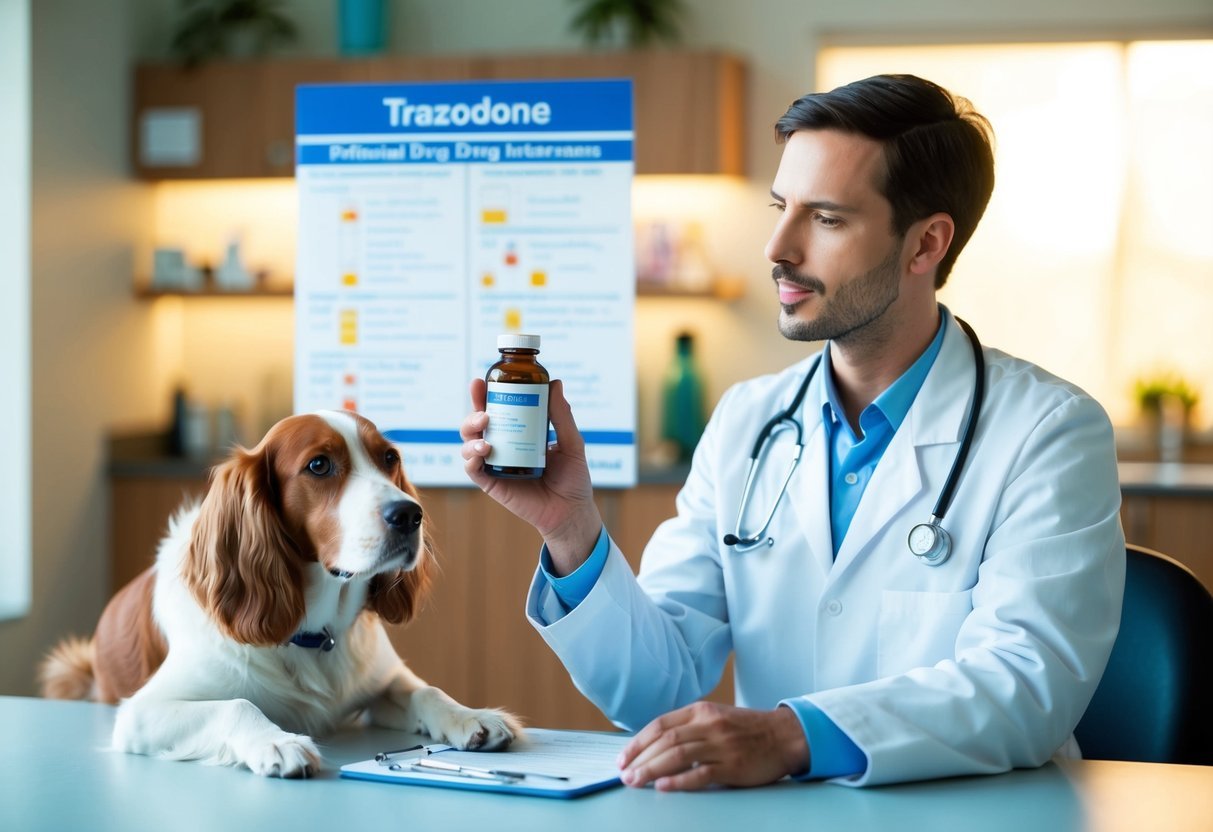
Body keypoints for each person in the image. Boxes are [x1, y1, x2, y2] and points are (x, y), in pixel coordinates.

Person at [459, 74, 1124, 789]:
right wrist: (571, 531)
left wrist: (789, 735)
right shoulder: (749, 421)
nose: (777, 246)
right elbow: (659, 686)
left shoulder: (1049, 432)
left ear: (925, 244)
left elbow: (1025, 689)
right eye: (781, 207)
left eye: (826, 219)